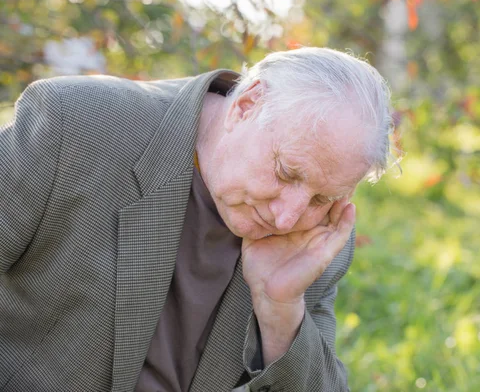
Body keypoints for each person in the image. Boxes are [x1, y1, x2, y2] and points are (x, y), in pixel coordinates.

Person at [0, 47, 391, 392]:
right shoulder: (75, 125)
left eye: (321, 198)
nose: (287, 217)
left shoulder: (319, 238)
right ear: (246, 105)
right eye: (287, 172)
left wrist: (280, 309)